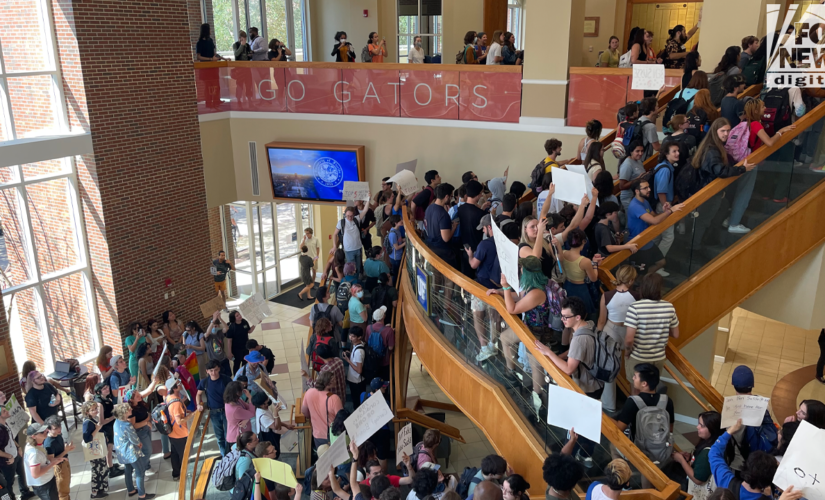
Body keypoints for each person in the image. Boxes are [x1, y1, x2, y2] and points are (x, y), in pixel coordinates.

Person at [534, 297, 603, 467]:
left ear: (577, 317)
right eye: (562, 315)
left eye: (566, 317)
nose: (562, 320)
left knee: (577, 426)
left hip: (586, 386)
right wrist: (558, 357)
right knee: (587, 422)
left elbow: (569, 369)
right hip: (597, 383)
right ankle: (585, 454)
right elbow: (574, 355)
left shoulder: (580, 338)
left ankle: (575, 458)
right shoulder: (589, 325)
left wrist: (550, 353)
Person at [689, 118, 756, 246]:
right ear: (715, 131)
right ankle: (695, 246)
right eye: (722, 131)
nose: (726, 133)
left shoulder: (712, 146)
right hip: (709, 191)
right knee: (704, 220)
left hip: (711, 190)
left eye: (728, 130)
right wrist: (742, 169)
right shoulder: (713, 150)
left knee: (721, 208)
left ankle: (701, 243)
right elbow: (720, 171)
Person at [624, 274, 679, 393]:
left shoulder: (635, 307)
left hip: (638, 357)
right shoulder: (669, 307)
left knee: (635, 392)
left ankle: (636, 412)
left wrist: (627, 353)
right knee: (651, 391)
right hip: (658, 358)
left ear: (643, 287)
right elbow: (675, 334)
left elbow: (629, 339)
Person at [596, 265, 638, 412]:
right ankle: (633, 404)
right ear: (631, 280)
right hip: (630, 330)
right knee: (632, 368)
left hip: (611, 329)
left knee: (609, 368)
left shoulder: (607, 295)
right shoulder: (637, 296)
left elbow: (601, 320)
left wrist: (597, 338)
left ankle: (609, 405)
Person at [743, 98, 797, 206]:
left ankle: (765, 193)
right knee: (745, 191)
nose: (766, 108)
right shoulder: (756, 124)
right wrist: (780, 131)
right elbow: (769, 142)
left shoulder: (746, 122)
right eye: (763, 107)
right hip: (752, 160)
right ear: (756, 111)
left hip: (746, 158)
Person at [614, 363, 674, 460]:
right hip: (662, 450)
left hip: (638, 451)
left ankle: (621, 472)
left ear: (644, 383)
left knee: (613, 447)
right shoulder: (667, 401)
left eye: (635, 376)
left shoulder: (633, 402)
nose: (633, 378)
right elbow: (670, 429)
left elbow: (619, 428)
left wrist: (602, 414)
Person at [709, 419, 777, 500]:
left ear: (745, 466)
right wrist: (769, 496)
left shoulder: (726, 482)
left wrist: (729, 431)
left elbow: (714, 453)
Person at [627, 179, 683, 275]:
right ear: (637, 191)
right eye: (645, 188)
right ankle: (642, 283)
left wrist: (664, 211)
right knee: (641, 272)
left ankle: (646, 279)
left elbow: (654, 216)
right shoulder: (635, 206)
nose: (649, 189)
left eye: (648, 187)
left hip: (647, 240)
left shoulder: (644, 202)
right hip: (639, 244)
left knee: (661, 262)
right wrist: (670, 211)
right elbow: (654, 221)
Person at [672, 411, 723, 500]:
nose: (697, 427)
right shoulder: (717, 442)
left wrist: (681, 460)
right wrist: (691, 457)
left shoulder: (708, 453)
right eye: (698, 423)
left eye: (702, 425)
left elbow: (697, 480)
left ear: (712, 429)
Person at [113, 403, 152, 499]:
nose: (131, 410)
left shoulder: (117, 422)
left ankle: (131, 489)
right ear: (124, 413)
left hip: (122, 452)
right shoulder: (127, 424)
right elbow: (134, 439)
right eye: (129, 409)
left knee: (128, 470)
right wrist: (139, 444)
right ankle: (142, 495)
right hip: (131, 453)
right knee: (140, 472)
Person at [196, 359, 233, 456]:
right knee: (219, 437)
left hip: (227, 411)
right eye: (211, 371)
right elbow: (198, 394)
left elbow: (233, 393)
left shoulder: (226, 380)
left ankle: (229, 455)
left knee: (228, 435)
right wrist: (198, 404)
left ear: (219, 369)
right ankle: (224, 456)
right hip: (214, 412)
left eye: (216, 370)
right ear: (207, 371)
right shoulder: (204, 382)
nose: (214, 373)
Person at [560, 228, 602, 314]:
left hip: (567, 285)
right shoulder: (585, 261)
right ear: (583, 242)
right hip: (580, 289)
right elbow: (593, 278)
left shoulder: (563, 253)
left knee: (570, 312)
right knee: (582, 313)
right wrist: (594, 264)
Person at [653, 140, 681, 263]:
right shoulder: (665, 170)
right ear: (666, 154)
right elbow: (661, 191)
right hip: (663, 204)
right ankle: (657, 263)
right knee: (668, 236)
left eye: (678, 151)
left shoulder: (662, 166)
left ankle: (652, 261)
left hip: (661, 203)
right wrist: (666, 205)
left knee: (658, 234)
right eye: (674, 151)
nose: (677, 153)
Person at [0, 404, 35, 500]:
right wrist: (9, 456)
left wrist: (18, 447)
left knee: (22, 473)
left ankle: (25, 492)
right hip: (7, 461)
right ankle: (11, 498)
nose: (7, 411)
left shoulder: (5, 424)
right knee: (9, 482)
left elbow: (11, 438)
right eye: (4, 411)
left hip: (16, 454)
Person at [302, 371, 343, 447]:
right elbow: (341, 419)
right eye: (333, 380)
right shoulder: (334, 398)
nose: (335, 381)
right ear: (327, 383)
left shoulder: (309, 392)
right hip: (331, 435)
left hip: (317, 434)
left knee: (322, 455)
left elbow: (304, 411)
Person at [23, 423, 63, 500]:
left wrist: (53, 459)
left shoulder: (35, 444)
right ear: (33, 436)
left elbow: (43, 457)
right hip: (43, 485)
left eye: (44, 429)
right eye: (42, 432)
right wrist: (52, 463)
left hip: (47, 481)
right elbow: (35, 474)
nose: (46, 431)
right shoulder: (34, 454)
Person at [424, 184, 458, 266]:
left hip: (430, 247)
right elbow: (446, 238)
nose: (451, 199)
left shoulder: (429, 208)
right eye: (451, 196)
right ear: (446, 196)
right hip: (442, 252)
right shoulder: (443, 214)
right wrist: (454, 227)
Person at [93, 382, 122, 478]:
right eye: (104, 388)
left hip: (110, 427)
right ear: (98, 392)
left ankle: (110, 465)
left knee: (110, 447)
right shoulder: (99, 404)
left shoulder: (107, 398)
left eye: (107, 387)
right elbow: (101, 422)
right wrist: (113, 417)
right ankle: (110, 469)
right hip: (105, 429)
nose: (107, 389)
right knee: (108, 449)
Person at [80, 401, 109, 499]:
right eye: (92, 410)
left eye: (96, 409)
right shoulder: (87, 422)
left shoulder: (93, 419)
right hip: (94, 450)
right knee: (96, 470)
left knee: (102, 468)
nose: (95, 411)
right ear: (87, 412)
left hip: (98, 448)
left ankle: (101, 489)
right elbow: (86, 438)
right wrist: (97, 429)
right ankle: (95, 491)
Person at [164, 378, 188, 480]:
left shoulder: (168, 397)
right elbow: (179, 421)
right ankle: (184, 476)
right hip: (180, 433)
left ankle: (176, 474)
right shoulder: (177, 403)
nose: (180, 384)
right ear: (174, 388)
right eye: (178, 383)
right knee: (183, 455)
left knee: (174, 454)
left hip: (172, 433)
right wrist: (192, 416)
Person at [224, 378, 255, 450]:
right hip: (237, 438)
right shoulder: (235, 409)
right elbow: (252, 413)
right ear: (237, 392)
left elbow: (248, 407)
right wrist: (250, 397)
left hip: (239, 435)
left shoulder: (235, 400)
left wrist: (247, 418)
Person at [335, 206, 364, 275]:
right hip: (349, 250)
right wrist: (334, 246)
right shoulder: (341, 222)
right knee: (350, 269)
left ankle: (356, 282)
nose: (349, 218)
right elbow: (334, 234)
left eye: (351, 216)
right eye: (347, 216)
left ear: (354, 215)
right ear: (345, 214)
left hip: (358, 248)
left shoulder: (356, 219)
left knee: (358, 268)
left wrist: (368, 200)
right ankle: (351, 283)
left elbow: (365, 211)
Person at [368, 307, 395, 381]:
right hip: (384, 361)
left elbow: (367, 341)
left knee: (374, 382)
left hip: (371, 360)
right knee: (384, 382)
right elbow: (390, 347)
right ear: (383, 317)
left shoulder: (369, 328)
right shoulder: (389, 331)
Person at [619, 141, 647, 211]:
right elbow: (622, 186)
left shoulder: (639, 161)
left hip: (638, 196)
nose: (640, 153)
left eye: (642, 151)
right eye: (637, 151)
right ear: (631, 151)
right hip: (629, 198)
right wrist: (637, 180)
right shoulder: (627, 164)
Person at [344, 327, 367, 409]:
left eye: (353, 336)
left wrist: (348, 360)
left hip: (356, 381)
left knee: (357, 403)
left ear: (359, 337)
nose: (350, 337)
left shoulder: (358, 351)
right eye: (350, 335)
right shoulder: (358, 345)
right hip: (356, 380)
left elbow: (359, 370)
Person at [205, 310, 231, 376]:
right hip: (214, 362)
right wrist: (213, 320)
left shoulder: (220, 333)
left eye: (216, 326)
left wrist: (220, 318)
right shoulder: (208, 336)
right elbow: (207, 333)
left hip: (223, 359)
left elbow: (226, 328)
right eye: (213, 326)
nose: (214, 327)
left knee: (227, 375)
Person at [636, 97, 661, 161]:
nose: (658, 108)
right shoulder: (651, 127)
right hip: (644, 158)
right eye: (656, 106)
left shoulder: (639, 120)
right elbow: (657, 147)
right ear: (652, 110)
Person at [386, 215, 405, 283]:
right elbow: (396, 247)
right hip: (395, 258)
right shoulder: (393, 234)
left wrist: (405, 240)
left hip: (398, 255)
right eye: (400, 220)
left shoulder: (397, 230)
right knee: (396, 274)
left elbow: (400, 240)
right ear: (395, 223)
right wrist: (406, 243)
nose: (402, 221)